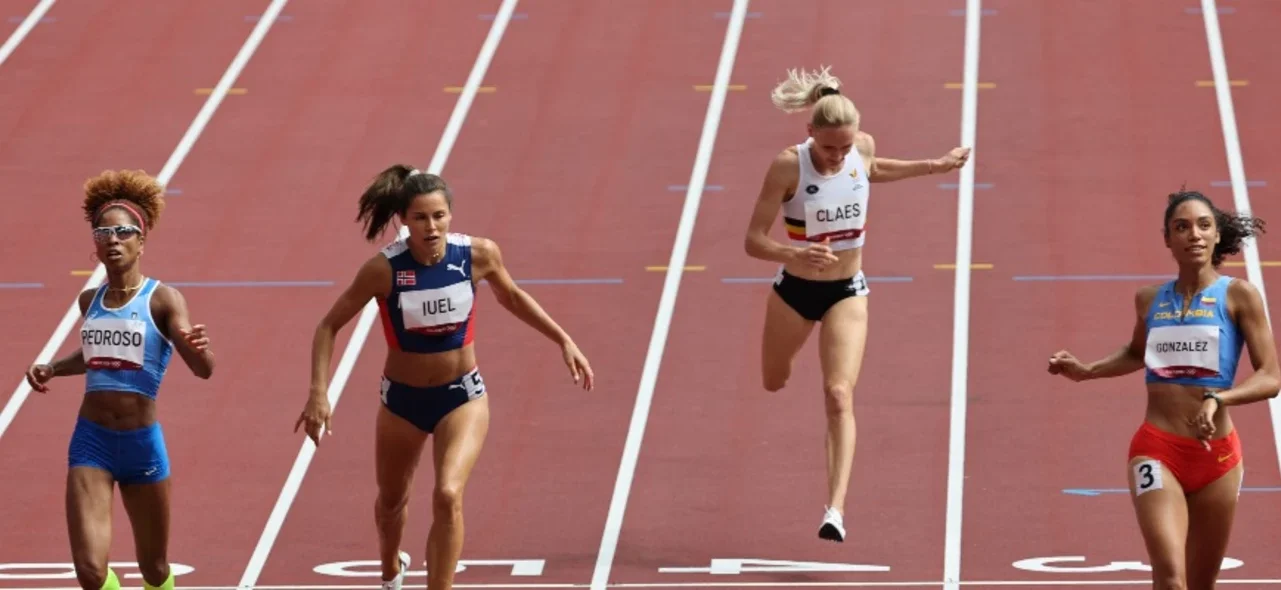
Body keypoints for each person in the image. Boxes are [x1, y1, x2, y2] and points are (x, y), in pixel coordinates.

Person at [295, 166, 595, 590]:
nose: (431, 226)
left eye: (439, 215)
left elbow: (512, 296)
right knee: (391, 503)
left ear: (450, 215)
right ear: (404, 221)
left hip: (462, 397)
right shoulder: (383, 271)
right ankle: (389, 570)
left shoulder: (478, 255)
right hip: (401, 403)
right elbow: (328, 326)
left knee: (448, 495)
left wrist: (563, 339)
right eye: (420, 218)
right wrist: (318, 394)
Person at [742, 65, 971, 542]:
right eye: (829, 148)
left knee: (839, 394)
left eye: (844, 148)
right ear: (810, 134)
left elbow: (874, 167)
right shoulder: (789, 165)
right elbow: (753, 241)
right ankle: (783, 368)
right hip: (794, 291)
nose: (837, 157)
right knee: (773, 381)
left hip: (847, 291)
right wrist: (795, 252)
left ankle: (835, 510)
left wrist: (936, 164)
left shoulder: (859, 150)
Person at [1047, 189, 1279, 590]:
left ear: (1218, 235)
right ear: (1167, 239)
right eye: (1182, 227)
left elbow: (1271, 377)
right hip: (1157, 450)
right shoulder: (1149, 300)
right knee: (1172, 579)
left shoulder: (1239, 295)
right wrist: (1088, 370)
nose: (1195, 235)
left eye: (1204, 225)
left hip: (1218, 459)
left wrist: (1219, 399)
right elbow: (1138, 352)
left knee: (1200, 584)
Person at [24, 169, 216, 590]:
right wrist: (54, 367)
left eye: (123, 231)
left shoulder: (163, 298)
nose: (112, 238)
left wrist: (197, 346)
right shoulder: (88, 300)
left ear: (141, 241)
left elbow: (203, 369)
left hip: (140, 444)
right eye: (103, 232)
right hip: (91, 441)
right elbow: (98, 358)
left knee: (155, 569)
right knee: (91, 573)